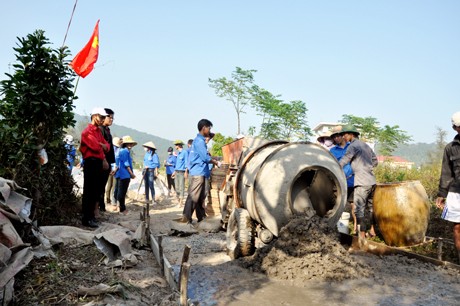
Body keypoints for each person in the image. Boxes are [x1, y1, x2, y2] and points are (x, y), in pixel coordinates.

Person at [339, 124, 378, 239]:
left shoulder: (353, 146)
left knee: (359, 208)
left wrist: (334, 167)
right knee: (370, 208)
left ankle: (361, 235)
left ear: (351, 134)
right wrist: (365, 168)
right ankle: (372, 232)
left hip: (361, 182)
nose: (343, 137)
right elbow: (375, 161)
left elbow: (345, 159)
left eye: (345, 135)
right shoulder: (365, 145)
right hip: (371, 181)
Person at [178, 119, 220, 224]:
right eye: (209, 128)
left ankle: (201, 217)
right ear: (204, 128)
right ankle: (186, 218)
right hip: (198, 172)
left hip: (202, 171)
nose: (209, 130)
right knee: (193, 196)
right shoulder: (199, 141)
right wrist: (216, 162)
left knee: (201, 197)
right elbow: (205, 158)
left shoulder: (199, 141)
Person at [436, 111, 460, 263]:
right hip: (457, 192)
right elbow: (446, 172)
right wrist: (441, 194)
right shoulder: (450, 148)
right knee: (457, 228)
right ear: (455, 128)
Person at [79, 107, 110, 228]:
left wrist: (103, 146)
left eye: (104, 117)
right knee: (89, 190)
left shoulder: (97, 131)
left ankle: (91, 216)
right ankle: (86, 218)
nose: (103, 120)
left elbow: (106, 146)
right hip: (91, 161)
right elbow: (95, 147)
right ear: (95, 116)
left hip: (97, 161)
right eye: (101, 117)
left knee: (96, 190)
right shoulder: (87, 132)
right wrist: (102, 146)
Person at [329, 125, 357, 233]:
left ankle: (355, 227)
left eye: (338, 136)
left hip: (351, 181)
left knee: (354, 204)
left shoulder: (352, 147)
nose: (336, 138)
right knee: (336, 204)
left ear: (343, 136)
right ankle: (334, 226)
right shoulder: (332, 150)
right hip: (338, 182)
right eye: (334, 137)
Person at [98, 108, 115, 213]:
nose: (112, 120)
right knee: (99, 186)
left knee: (103, 186)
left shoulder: (107, 130)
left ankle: (101, 207)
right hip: (101, 162)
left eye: (113, 118)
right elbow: (100, 147)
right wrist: (104, 160)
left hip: (107, 162)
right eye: (110, 117)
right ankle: (99, 207)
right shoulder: (100, 130)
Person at [116, 135, 137, 214]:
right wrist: (131, 174)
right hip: (125, 174)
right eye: (129, 143)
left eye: (131, 143)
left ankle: (120, 207)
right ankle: (122, 209)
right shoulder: (124, 151)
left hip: (123, 174)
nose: (130, 145)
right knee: (122, 192)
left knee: (121, 191)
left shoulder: (123, 151)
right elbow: (126, 164)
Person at [105, 136, 122, 206]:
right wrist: (115, 170)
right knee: (114, 186)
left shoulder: (110, 150)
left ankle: (107, 200)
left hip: (109, 169)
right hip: (116, 170)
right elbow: (118, 163)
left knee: (109, 185)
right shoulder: (119, 151)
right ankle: (113, 200)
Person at [173, 140, 187, 205]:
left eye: (176, 145)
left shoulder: (185, 152)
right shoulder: (178, 154)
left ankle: (181, 202)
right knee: (176, 187)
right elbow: (177, 164)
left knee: (181, 187)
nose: (175, 146)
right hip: (177, 172)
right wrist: (174, 171)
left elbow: (186, 163)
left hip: (182, 172)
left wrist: (186, 172)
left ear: (179, 145)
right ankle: (179, 199)